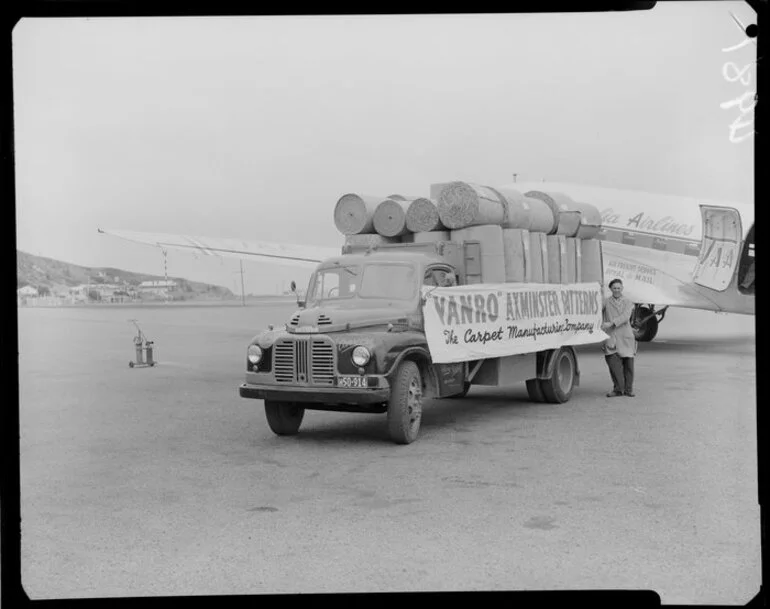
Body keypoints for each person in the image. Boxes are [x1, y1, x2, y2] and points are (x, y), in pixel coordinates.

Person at [601, 278, 637, 397]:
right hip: (611, 337)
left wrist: (611, 323)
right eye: (614, 288)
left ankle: (628, 390)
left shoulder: (628, 302)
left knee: (628, 365)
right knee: (613, 364)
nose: (617, 290)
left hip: (625, 336)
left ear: (622, 288)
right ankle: (617, 389)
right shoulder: (606, 301)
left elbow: (626, 316)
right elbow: (597, 311)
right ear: (610, 289)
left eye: (619, 288)